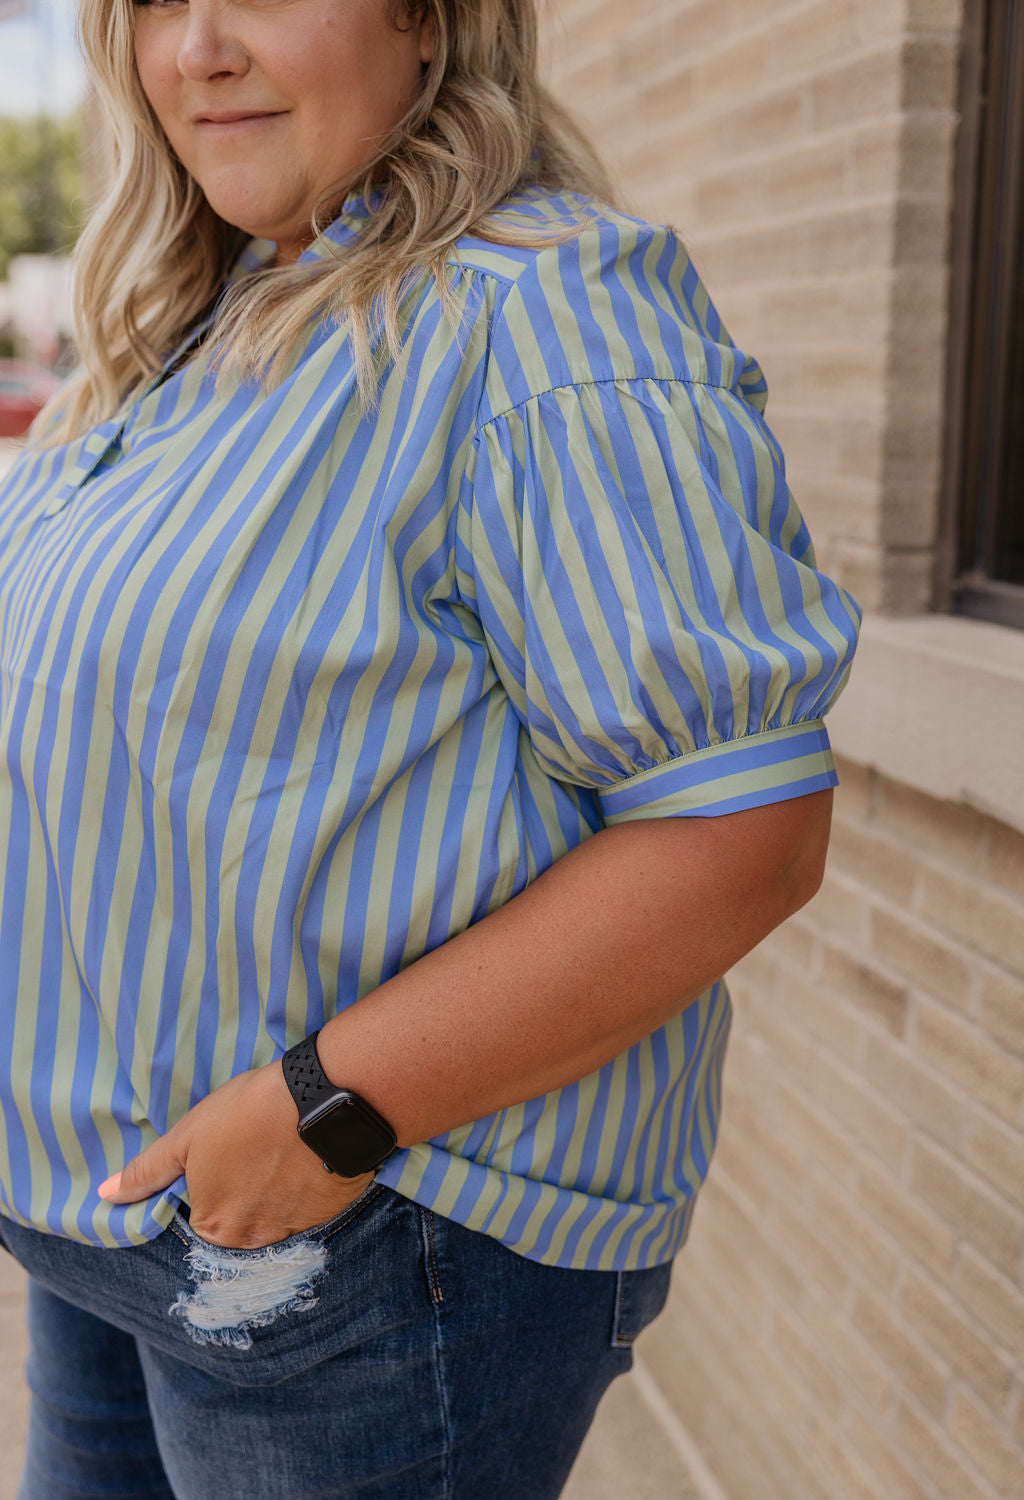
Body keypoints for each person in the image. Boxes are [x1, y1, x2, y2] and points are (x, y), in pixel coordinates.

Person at [0, 1, 860, 1496]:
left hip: (358, 1262)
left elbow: (741, 833)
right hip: (116, 1219)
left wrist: (322, 1116)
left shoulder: (540, 315)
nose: (195, 49)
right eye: (154, 1)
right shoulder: (194, 319)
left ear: (432, 18)